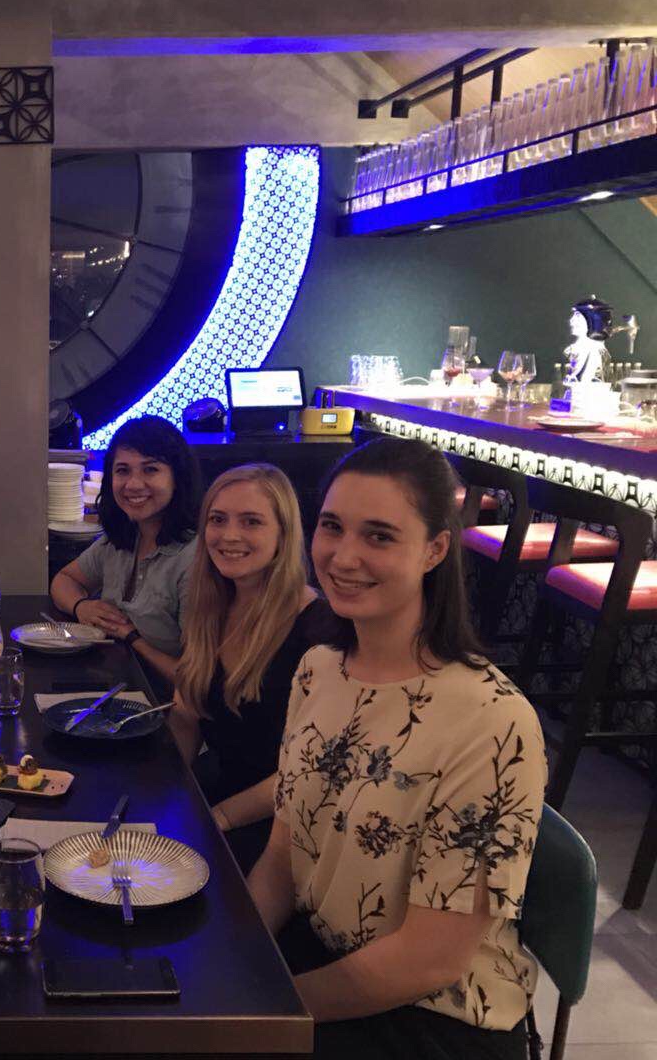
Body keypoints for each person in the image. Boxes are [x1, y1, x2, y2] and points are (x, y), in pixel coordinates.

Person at [247, 437, 545, 1059]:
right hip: (323, 955)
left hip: (432, 1017)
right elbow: (282, 853)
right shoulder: (318, 668)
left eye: (379, 536)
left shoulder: (492, 720)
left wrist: (262, 1014)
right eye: (332, 527)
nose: (343, 556)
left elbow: (429, 960)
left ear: (435, 550)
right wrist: (231, 962)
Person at [167, 464, 340, 872]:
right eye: (217, 519)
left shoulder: (319, 629)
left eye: (251, 522)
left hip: (282, 824)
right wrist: (166, 788)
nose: (229, 535)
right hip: (217, 794)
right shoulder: (210, 606)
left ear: (283, 534)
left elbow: (310, 771)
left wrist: (219, 818)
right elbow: (185, 717)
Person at [50, 415, 203, 684]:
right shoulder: (122, 538)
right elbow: (64, 580)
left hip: (161, 699)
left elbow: (193, 678)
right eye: (122, 470)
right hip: (111, 683)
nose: (133, 484)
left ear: (177, 477)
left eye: (150, 470)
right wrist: (81, 606)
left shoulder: (194, 558)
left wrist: (133, 638)